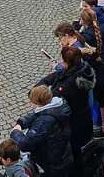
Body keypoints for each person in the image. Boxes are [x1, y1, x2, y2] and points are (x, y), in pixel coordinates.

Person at [38, 45, 95, 173]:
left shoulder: (70, 82)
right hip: (83, 117)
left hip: (74, 122)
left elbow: (54, 94)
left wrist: (42, 90)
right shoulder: (83, 68)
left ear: (68, 62)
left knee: (75, 153)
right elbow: (58, 77)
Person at [8, 85, 73, 177]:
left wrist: (15, 132)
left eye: (32, 101)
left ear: (38, 102)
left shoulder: (44, 121)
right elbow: (37, 113)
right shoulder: (58, 105)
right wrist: (21, 122)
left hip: (52, 162)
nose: (30, 104)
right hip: (62, 154)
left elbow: (26, 144)